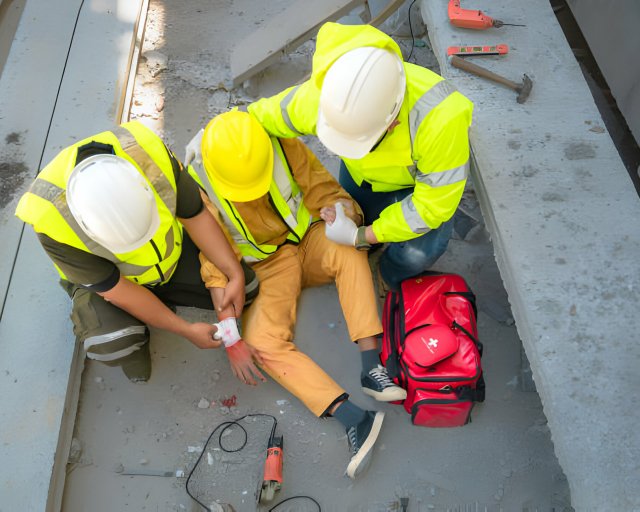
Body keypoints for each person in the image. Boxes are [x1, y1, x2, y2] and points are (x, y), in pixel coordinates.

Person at [185, 110, 406, 479]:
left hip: (311, 238)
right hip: (269, 265)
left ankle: (372, 368)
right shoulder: (197, 184)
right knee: (259, 342)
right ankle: (355, 418)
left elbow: (326, 190)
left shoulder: (277, 141)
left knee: (351, 252)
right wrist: (231, 337)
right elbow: (214, 267)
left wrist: (340, 214)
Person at [15, 121, 257, 383]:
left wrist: (233, 274)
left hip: (169, 257)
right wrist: (185, 330)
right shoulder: (51, 221)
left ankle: (160, 301)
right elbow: (119, 290)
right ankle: (136, 339)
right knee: (112, 342)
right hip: (109, 285)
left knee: (247, 288)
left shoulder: (147, 154)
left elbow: (195, 215)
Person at [248, 22, 474, 291]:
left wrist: (363, 236)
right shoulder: (328, 97)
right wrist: (220, 134)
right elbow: (262, 117)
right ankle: (361, 248)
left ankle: (388, 276)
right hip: (359, 176)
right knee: (354, 212)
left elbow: (430, 207)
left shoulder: (441, 120)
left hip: (412, 187)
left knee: (421, 250)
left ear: (392, 123)